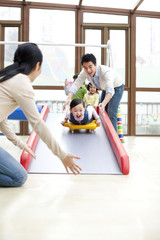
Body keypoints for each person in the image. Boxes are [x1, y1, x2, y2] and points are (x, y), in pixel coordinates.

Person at [0, 43, 82, 187]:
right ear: (37, 65)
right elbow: (38, 124)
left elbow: (2, 119)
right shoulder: (21, 82)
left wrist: (20, 144)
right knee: (19, 177)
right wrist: (62, 155)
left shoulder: (6, 75)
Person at [63, 53, 124, 132]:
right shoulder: (84, 72)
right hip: (105, 87)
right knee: (103, 111)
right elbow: (76, 85)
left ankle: (114, 138)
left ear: (95, 64)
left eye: (90, 67)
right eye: (85, 67)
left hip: (116, 87)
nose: (88, 70)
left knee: (111, 112)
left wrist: (104, 103)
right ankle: (106, 132)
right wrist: (69, 98)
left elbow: (110, 90)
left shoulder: (106, 72)